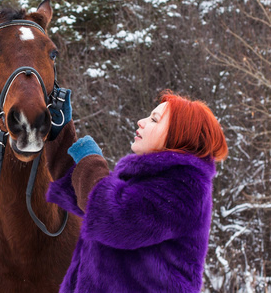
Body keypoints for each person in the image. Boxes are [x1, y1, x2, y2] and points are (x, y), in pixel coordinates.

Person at [46, 89, 228, 293]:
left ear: (177, 135)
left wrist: (91, 160)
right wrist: (61, 133)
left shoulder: (185, 187)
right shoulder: (147, 181)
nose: (142, 121)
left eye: (154, 120)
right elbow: (84, 195)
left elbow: (114, 215)